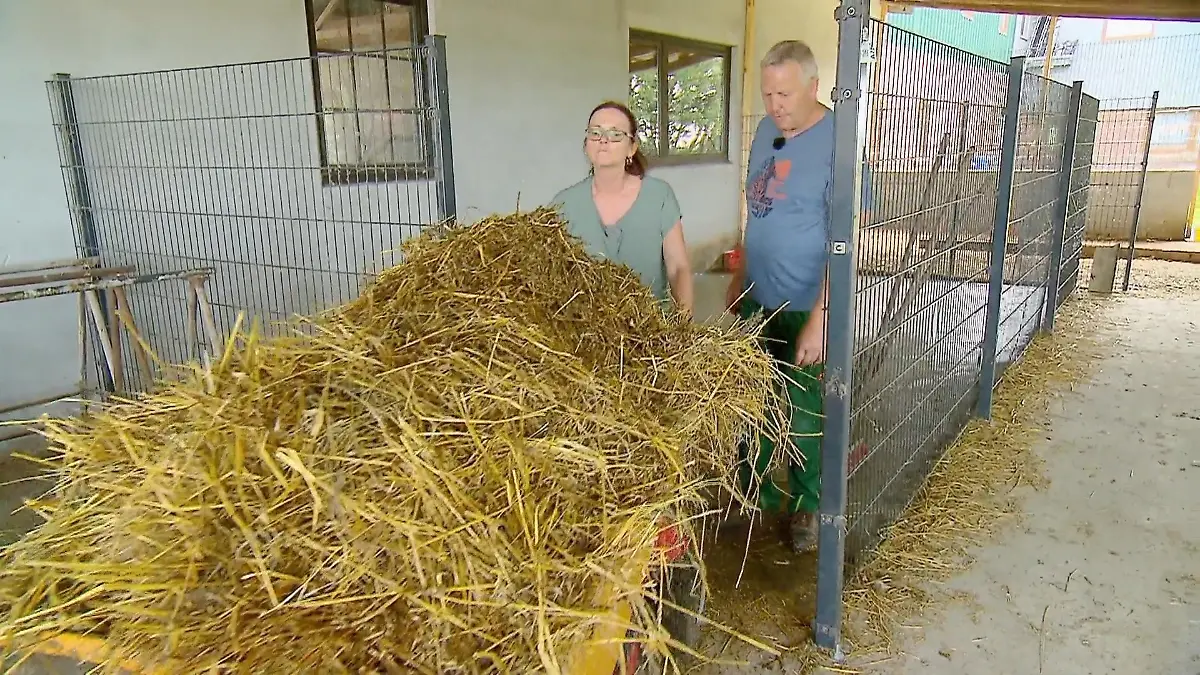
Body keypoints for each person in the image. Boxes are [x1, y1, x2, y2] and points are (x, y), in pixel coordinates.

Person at [726, 39, 835, 554]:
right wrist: (739, 273)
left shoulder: (839, 139)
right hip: (756, 294)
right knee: (754, 400)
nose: (774, 105)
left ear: (814, 87)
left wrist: (823, 315)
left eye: (785, 94)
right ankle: (757, 495)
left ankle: (806, 506)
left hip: (803, 303)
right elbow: (757, 209)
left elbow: (848, 236)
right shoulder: (767, 132)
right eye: (768, 93)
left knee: (804, 407)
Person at [551, 101, 694, 316]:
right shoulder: (564, 204)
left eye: (615, 134)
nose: (603, 141)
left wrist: (683, 323)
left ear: (632, 147)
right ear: (586, 144)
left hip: (650, 329)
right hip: (584, 332)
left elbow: (678, 268)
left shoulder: (659, 196)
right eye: (595, 133)